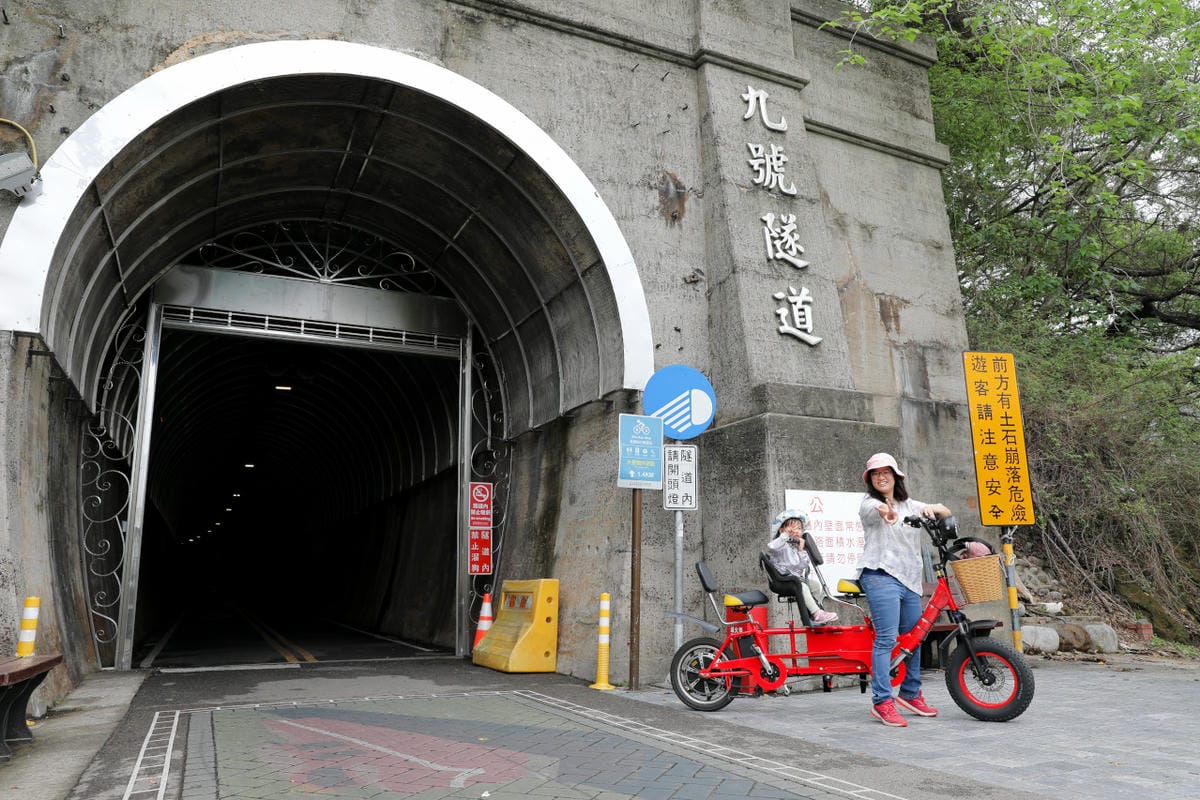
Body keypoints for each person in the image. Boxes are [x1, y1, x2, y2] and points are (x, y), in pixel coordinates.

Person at [857, 452, 951, 727]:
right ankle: (882, 701)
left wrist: (934, 508)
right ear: (871, 480)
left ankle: (910, 693)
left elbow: (945, 511)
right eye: (876, 474)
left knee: (914, 639)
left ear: (896, 476)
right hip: (880, 575)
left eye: (886, 472)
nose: (881, 477)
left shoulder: (911, 505)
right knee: (887, 639)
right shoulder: (869, 504)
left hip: (910, 580)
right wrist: (886, 512)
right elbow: (877, 512)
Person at [767, 510, 838, 624]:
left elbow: (802, 566)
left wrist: (801, 550)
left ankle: (815, 612)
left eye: (799, 528)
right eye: (791, 528)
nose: (796, 531)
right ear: (781, 530)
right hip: (782, 580)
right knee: (802, 586)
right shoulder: (780, 545)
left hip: (794, 579)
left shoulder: (796, 547)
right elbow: (771, 547)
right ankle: (817, 613)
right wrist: (784, 536)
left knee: (815, 586)